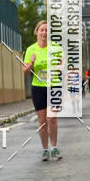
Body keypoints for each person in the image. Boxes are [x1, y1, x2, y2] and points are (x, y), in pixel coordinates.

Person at [23, 21, 62, 161]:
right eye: (42, 30)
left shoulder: (56, 48)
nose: (44, 32)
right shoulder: (30, 49)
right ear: (37, 32)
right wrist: (32, 63)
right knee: (42, 121)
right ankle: (45, 149)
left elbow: (64, 66)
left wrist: (60, 65)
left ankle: (54, 147)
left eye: (46, 30)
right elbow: (25, 71)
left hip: (54, 86)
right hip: (38, 87)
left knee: (51, 118)